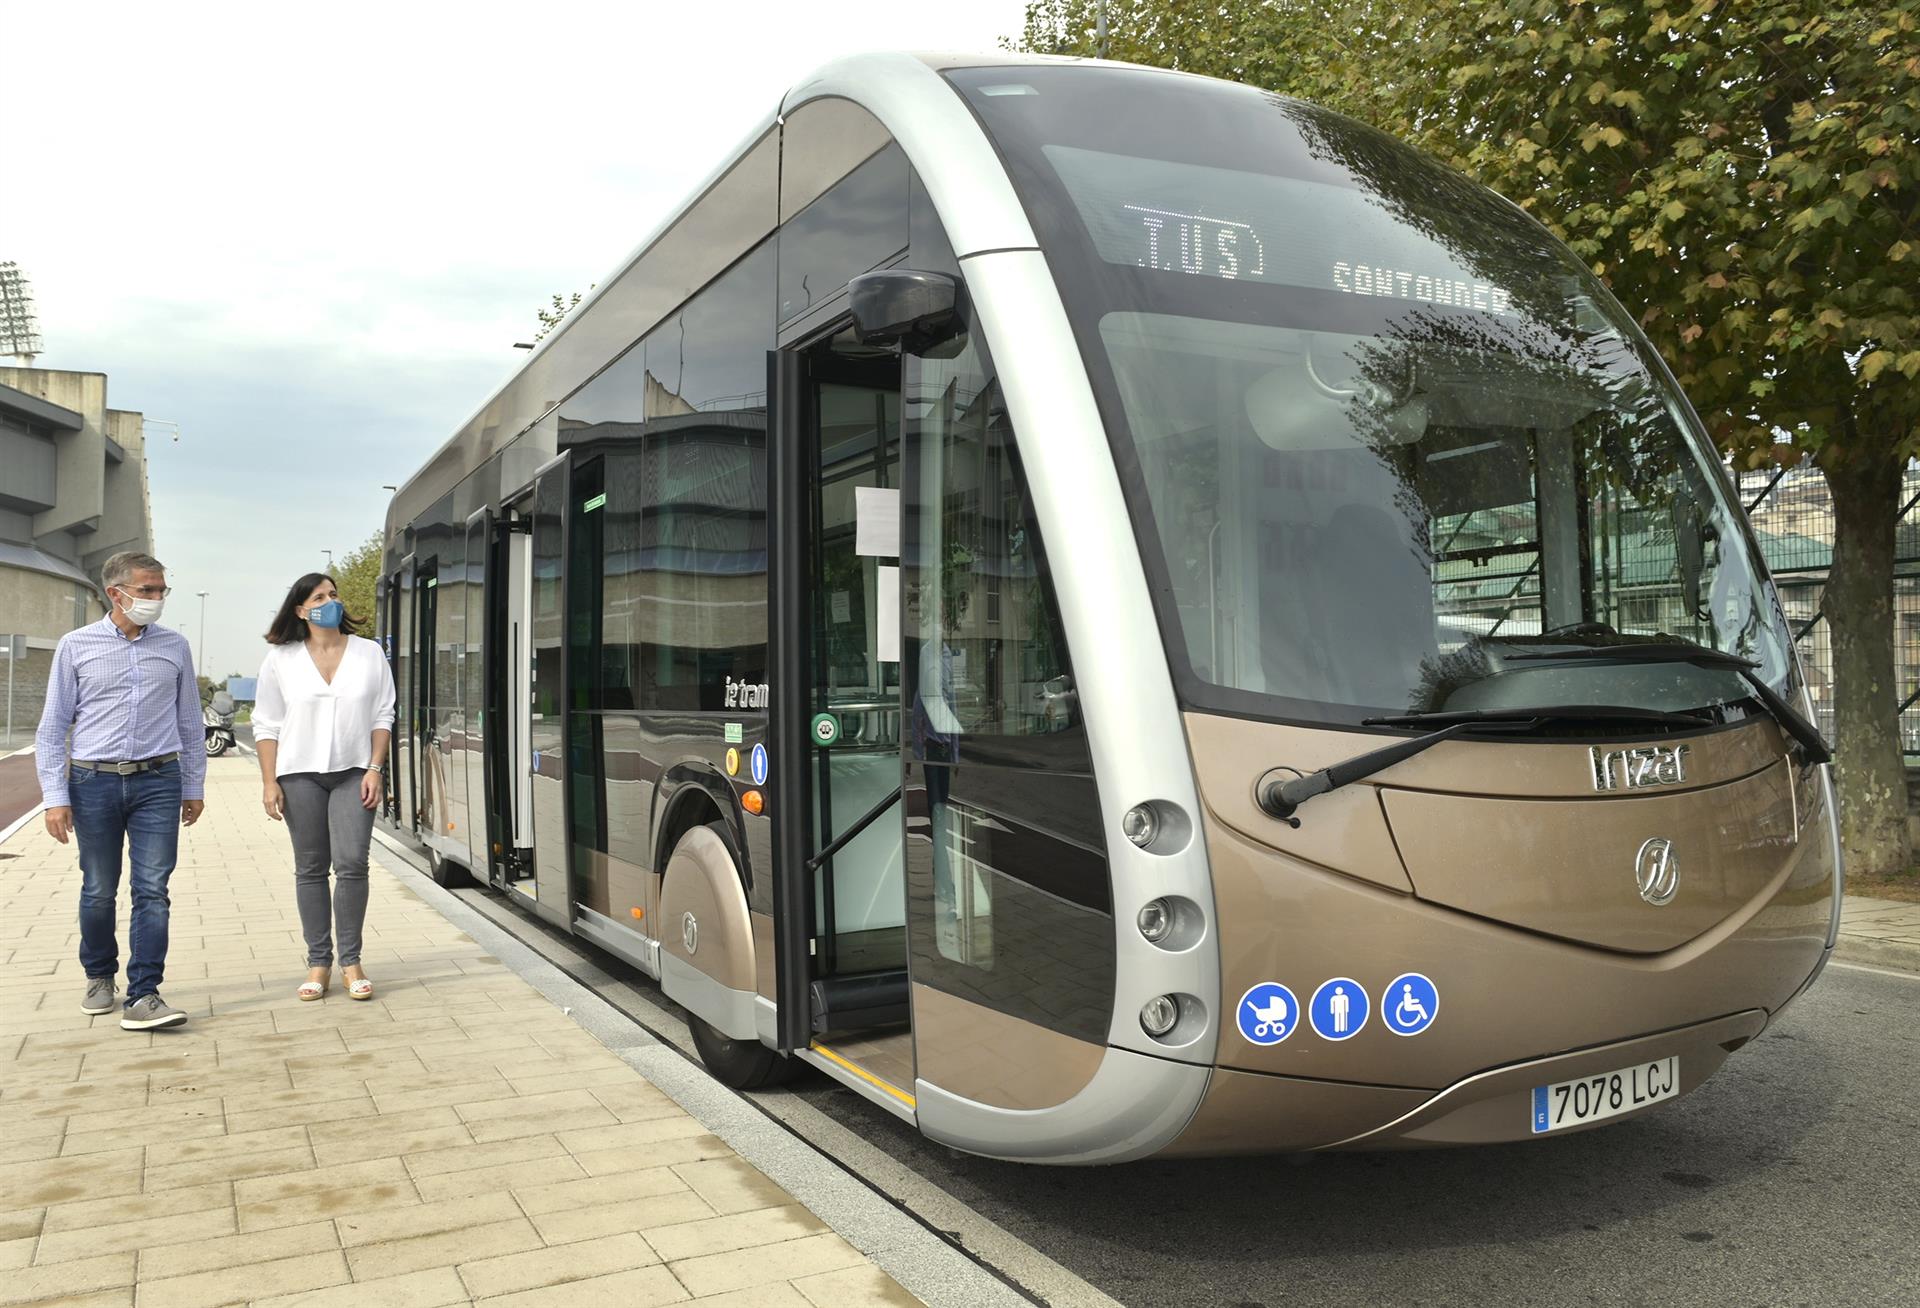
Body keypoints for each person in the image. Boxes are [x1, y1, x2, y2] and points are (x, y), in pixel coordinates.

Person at [36, 551, 206, 1031]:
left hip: (158, 780)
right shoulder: (76, 646)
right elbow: (52, 730)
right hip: (92, 783)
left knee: (152, 890)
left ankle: (145, 993)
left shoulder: (175, 646)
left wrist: (193, 785)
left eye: (161, 590)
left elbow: (190, 723)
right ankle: (98, 975)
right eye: (147, 590)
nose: (156, 599)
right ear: (117, 592)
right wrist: (55, 797)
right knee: (98, 889)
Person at [252, 573, 395, 1001]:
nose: (330, 601)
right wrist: (269, 781)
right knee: (311, 868)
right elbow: (266, 724)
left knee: (352, 863)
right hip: (299, 775)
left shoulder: (369, 653)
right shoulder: (280, 658)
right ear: (300, 609)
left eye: (333, 595)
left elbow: (383, 714)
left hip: (355, 771)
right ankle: (319, 961)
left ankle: (351, 961)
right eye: (319, 597)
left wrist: (375, 769)